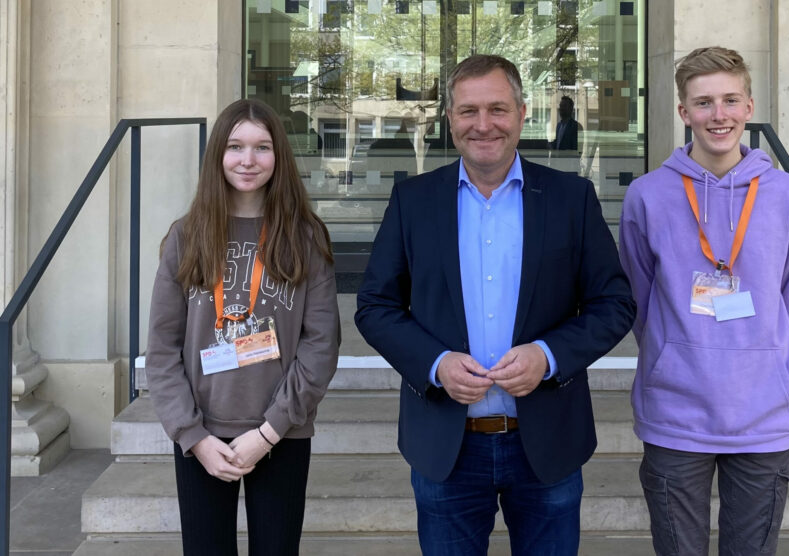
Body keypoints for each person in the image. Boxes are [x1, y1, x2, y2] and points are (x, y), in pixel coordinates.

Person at [356, 54, 635, 556]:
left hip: (547, 441)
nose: (483, 125)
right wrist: (436, 364)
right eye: (468, 111)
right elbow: (375, 305)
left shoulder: (572, 199)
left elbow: (613, 303)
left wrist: (547, 356)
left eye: (498, 109)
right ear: (450, 118)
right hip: (446, 445)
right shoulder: (413, 201)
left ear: (523, 113)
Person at [618, 46, 789, 555]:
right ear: (684, 112)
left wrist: (760, 355)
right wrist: (674, 353)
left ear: (749, 106)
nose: (718, 115)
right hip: (676, 412)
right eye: (703, 103)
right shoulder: (648, 195)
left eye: (730, 100)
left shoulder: (786, 194)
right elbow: (639, 298)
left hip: (762, 414)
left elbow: (788, 298)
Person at [145, 98, 340, 556]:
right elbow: (161, 350)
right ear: (218, 154)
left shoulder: (305, 237)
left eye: (262, 147)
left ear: (279, 157)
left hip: (281, 432)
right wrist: (193, 438)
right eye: (235, 146)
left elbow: (321, 346)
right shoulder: (186, 236)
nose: (248, 160)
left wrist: (269, 432)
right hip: (202, 436)